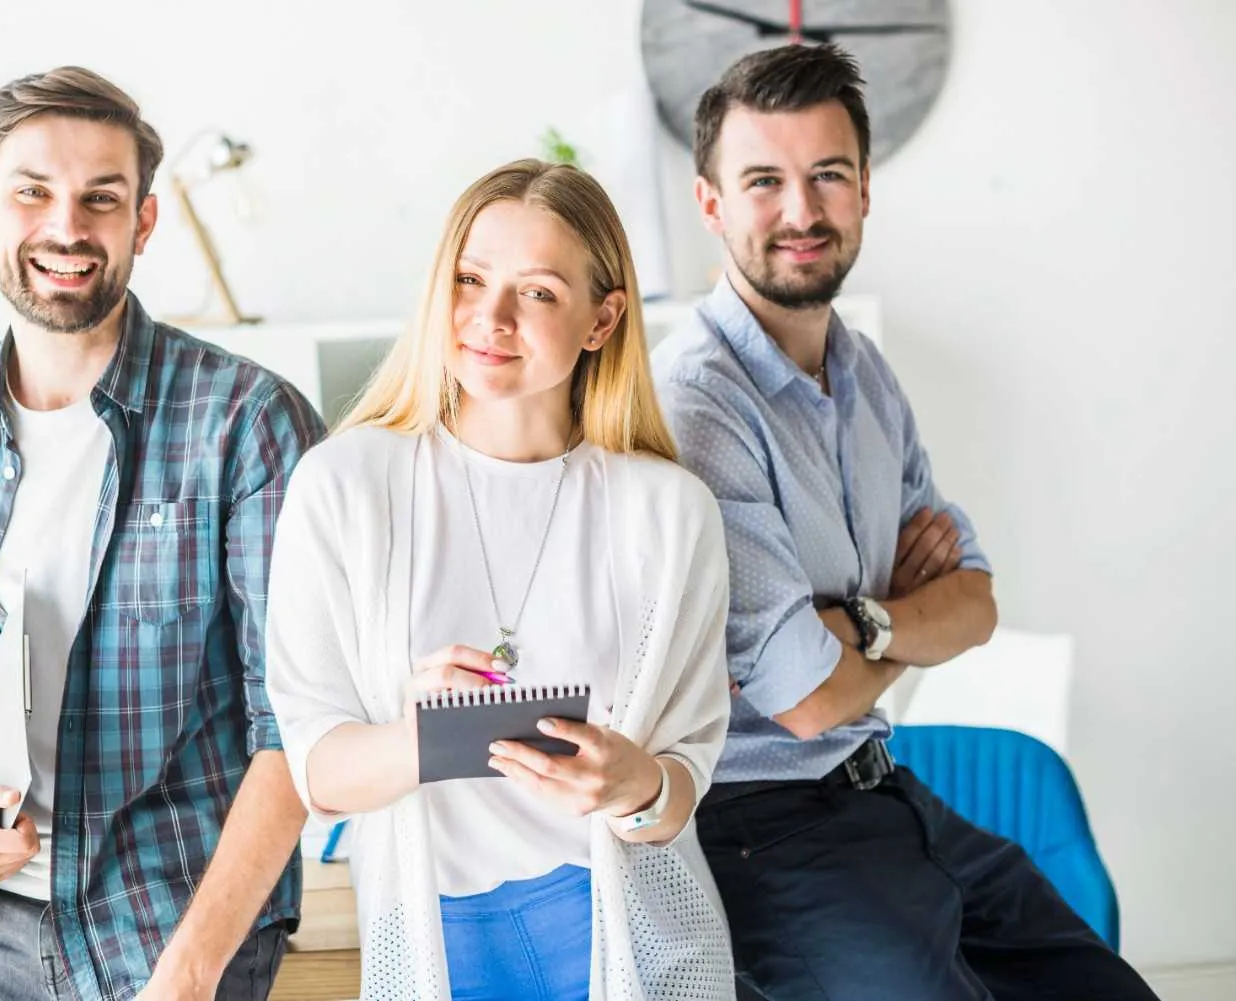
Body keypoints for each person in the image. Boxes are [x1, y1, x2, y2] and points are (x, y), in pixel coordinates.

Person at [652, 43, 1159, 1001]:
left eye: (827, 175)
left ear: (865, 190)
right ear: (711, 204)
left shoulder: (864, 375)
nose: (801, 212)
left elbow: (974, 599)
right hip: (765, 829)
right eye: (764, 181)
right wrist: (896, 617)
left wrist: (859, 628)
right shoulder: (700, 406)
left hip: (883, 785)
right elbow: (802, 700)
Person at [0, 66, 325, 1001]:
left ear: (143, 223)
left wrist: (193, 971)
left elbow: (294, 721)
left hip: (171, 926)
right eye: (32, 192)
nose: (67, 228)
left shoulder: (247, 422)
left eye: (101, 199)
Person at [264, 159, 735, 1000]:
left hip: (624, 929)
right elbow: (318, 773)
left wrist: (635, 783)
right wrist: (421, 734)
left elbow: (680, 787)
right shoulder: (343, 485)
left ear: (603, 318)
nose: (491, 318)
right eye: (470, 278)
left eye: (541, 292)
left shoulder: (671, 512)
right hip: (439, 933)